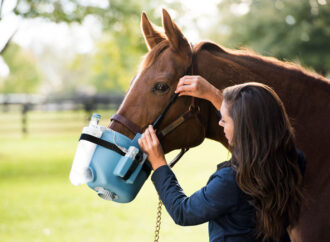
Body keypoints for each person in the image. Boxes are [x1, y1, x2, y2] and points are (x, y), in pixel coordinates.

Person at [138, 76, 306, 242]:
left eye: (224, 120)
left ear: (242, 128)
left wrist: (159, 163)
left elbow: (184, 212)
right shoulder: (294, 160)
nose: (220, 123)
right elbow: (254, 126)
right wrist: (212, 94)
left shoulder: (231, 181)